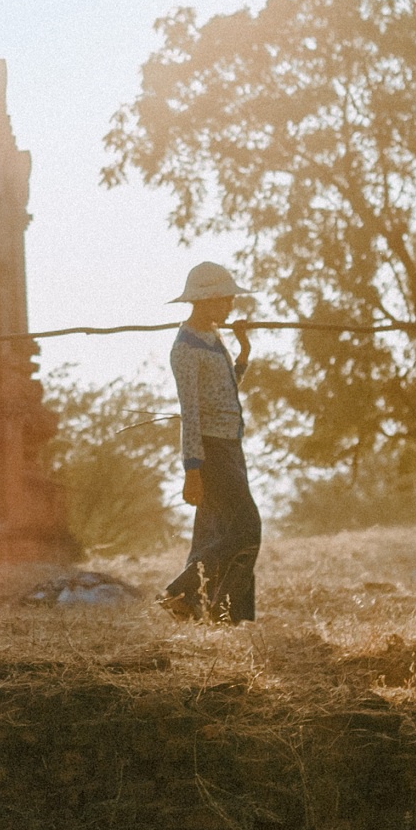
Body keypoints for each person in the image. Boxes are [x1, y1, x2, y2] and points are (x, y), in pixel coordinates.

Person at [157, 261, 260, 624]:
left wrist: (243, 353)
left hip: (230, 445)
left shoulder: (214, 341)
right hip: (211, 450)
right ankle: (181, 595)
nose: (231, 307)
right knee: (246, 529)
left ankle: (221, 614)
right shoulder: (185, 349)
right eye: (226, 300)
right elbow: (192, 414)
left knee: (215, 532)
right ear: (207, 300)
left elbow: (224, 393)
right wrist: (192, 470)